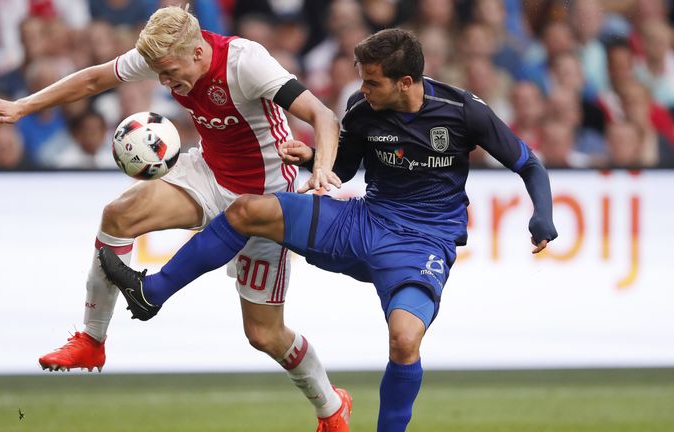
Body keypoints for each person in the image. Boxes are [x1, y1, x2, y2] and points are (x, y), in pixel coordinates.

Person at [98, 28, 558, 432]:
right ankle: (151, 292)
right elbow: (348, 167)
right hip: (364, 220)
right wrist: (312, 159)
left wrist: (542, 217)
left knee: (404, 339)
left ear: (405, 82)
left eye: (372, 81)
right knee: (246, 212)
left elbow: (529, 165)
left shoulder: (463, 111)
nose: (362, 89)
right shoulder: (362, 109)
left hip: (422, 240)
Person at [0, 6, 352, 431]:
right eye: (160, 76)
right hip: (209, 175)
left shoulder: (246, 62)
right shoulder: (161, 55)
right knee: (118, 214)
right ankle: (91, 340)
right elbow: (95, 77)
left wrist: (321, 170)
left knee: (264, 335)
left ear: (195, 50)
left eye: (171, 73)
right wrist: (24, 105)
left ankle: (331, 407)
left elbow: (323, 116)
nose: (166, 83)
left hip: (267, 198)